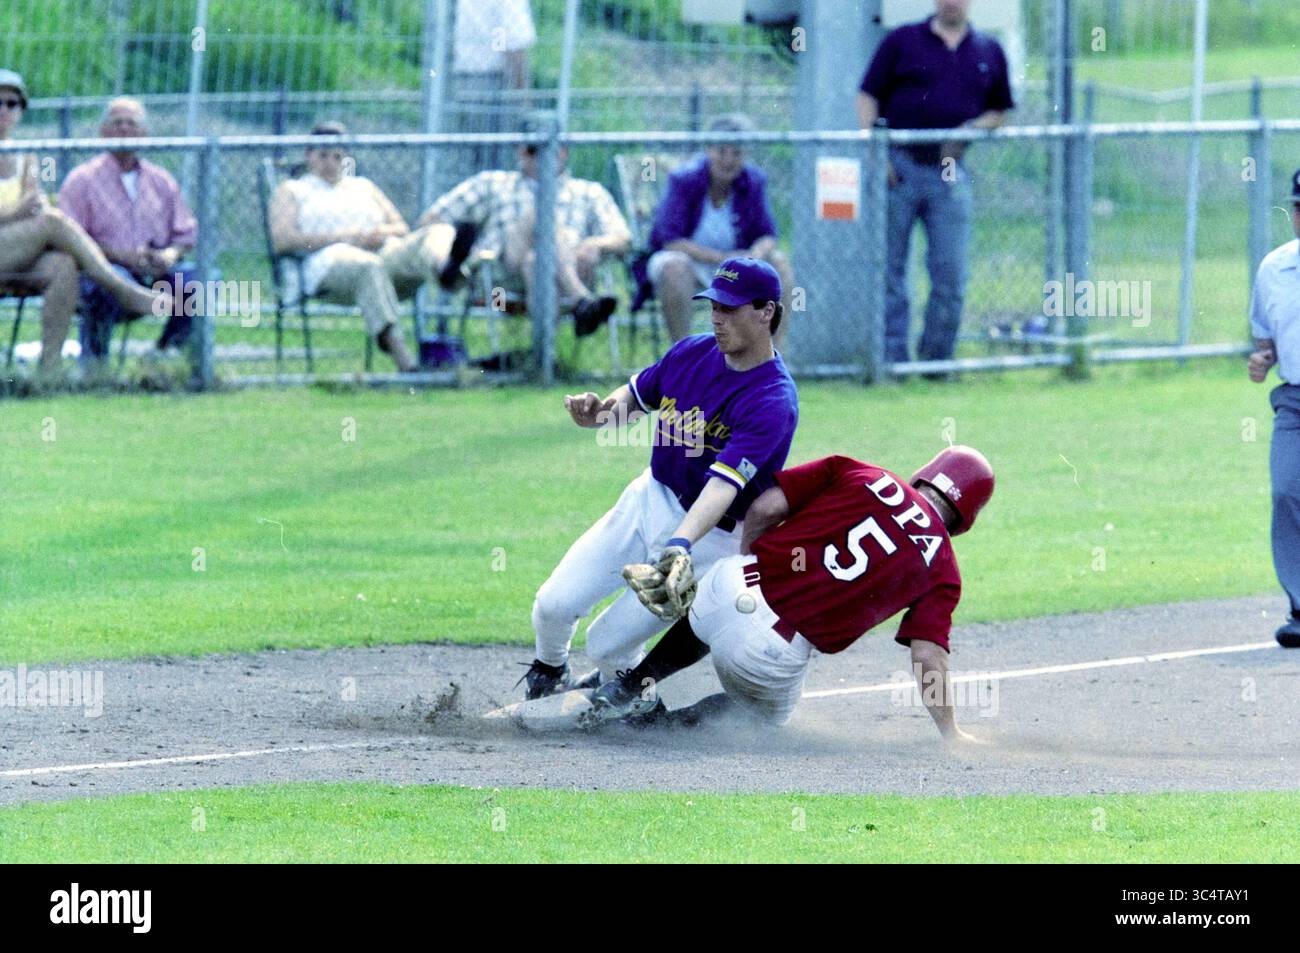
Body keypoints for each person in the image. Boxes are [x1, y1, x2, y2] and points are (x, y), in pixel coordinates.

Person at [518, 257, 799, 699]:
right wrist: (599, 415)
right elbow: (634, 398)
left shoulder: (772, 399)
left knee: (607, 645)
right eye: (713, 307)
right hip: (648, 499)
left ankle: (630, 700)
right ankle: (549, 675)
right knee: (552, 605)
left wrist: (681, 542)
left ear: (766, 312)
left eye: (730, 308)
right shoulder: (691, 352)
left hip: (709, 536)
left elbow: (723, 485)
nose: (717, 318)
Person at [584, 446, 995, 746]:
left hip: (732, 583)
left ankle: (633, 685)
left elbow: (764, 509)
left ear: (927, 471)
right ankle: (661, 730)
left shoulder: (863, 472)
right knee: (763, 719)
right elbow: (927, 657)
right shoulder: (943, 566)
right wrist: (951, 732)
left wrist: (747, 565)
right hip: (768, 653)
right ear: (967, 517)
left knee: (714, 609)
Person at [857, 0, 1014, 368]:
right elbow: (867, 96)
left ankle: (936, 362)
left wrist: (969, 130)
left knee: (950, 272)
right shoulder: (902, 41)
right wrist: (875, 154)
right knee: (890, 271)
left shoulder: (987, 50)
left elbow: (999, 112)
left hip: (949, 169)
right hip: (900, 166)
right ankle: (892, 361)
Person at [0, 69, 166, 375]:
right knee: (51, 221)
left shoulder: (29, 158)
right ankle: (122, 289)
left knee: (63, 265)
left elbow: (35, 205)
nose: (4, 110)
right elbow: (29, 213)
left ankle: (48, 372)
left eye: (12, 104)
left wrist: (29, 213)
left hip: (16, 256)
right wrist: (19, 215)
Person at [269, 121, 458, 373]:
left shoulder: (362, 187)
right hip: (329, 263)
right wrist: (349, 238)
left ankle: (451, 273)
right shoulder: (293, 190)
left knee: (437, 232)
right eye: (323, 155)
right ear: (308, 155)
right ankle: (407, 364)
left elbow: (401, 228)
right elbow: (283, 240)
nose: (330, 163)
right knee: (367, 266)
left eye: (337, 156)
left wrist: (379, 234)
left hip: (383, 254)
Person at [417, 137, 629, 337]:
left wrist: (596, 244)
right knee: (540, 212)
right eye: (529, 149)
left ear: (563, 152)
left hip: (568, 268)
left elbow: (623, 239)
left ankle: (544, 360)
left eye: (542, 150)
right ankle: (581, 302)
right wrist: (461, 247)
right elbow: (431, 220)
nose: (533, 156)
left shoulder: (589, 192)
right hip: (499, 283)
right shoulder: (493, 183)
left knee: (535, 261)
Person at [58, 97, 198, 366]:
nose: (124, 129)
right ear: (103, 133)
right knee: (107, 281)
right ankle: (95, 369)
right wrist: (121, 256)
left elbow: (185, 234)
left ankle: (165, 355)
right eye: (117, 123)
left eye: (131, 124)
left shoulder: (161, 181)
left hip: (155, 272)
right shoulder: (82, 180)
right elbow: (69, 238)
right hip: (103, 271)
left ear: (144, 133)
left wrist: (169, 255)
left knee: (200, 280)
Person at [641, 114, 793, 346]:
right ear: (709, 150)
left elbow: (768, 235)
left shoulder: (753, 181)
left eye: (737, 153)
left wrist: (754, 256)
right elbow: (670, 239)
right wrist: (722, 258)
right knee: (674, 267)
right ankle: (683, 357)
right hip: (691, 261)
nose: (728, 160)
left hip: (737, 264)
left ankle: (770, 358)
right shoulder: (684, 180)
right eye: (722, 151)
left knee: (779, 264)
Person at [1247, 167, 1300, 649]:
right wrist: (1264, 358)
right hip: (1295, 403)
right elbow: (1267, 336)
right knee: (1286, 491)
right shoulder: (1274, 270)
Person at [449, 0, 536, 174]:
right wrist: (525, 99)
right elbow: (512, 44)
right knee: (497, 162)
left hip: (465, 79)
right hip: (495, 81)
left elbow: (501, 34)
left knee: (471, 160)